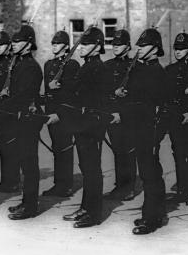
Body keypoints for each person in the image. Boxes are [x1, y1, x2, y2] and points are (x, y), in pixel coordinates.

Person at [0, 24, 43, 220]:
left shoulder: (30, 67)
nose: (15, 44)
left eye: (18, 41)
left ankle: (30, 206)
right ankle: (27, 201)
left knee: (29, 164)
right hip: (20, 119)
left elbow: (22, 97)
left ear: (28, 45)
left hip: (28, 118)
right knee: (24, 162)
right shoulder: (19, 64)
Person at [117, 28, 167, 235]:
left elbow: (163, 106)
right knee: (147, 172)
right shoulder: (137, 69)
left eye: (143, 45)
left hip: (151, 128)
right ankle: (153, 213)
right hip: (136, 127)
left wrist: (158, 133)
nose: (139, 48)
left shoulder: (158, 72)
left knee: (151, 173)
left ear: (155, 49)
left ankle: (152, 218)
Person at [62, 26, 107, 228]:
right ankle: (86, 208)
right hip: (83, 123)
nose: (80, 47)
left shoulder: (98, 68)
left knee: (92, 169)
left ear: (97, 48)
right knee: (86, 168)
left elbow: (95, 99)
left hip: (92, 124)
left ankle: (93, 213)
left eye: (86, 44)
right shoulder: (87, 66)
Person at [42, 30, 80, 197]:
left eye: (57, 44)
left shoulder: (72, 65)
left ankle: (65, 185)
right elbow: (47, 92)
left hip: (64, 113)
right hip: (50, 113)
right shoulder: (48, 64)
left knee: (64, 148)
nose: (54, 46)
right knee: (56, 148)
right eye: (53, 43)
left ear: (66, 47)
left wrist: (60, 113)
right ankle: (59, 183)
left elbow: (72, 94)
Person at [165, 33, 188, 205]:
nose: (178, 52)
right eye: (176, 49)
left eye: (182, 49)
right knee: (178, 153)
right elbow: (166, 95)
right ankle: (181, 190)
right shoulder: (169, 70)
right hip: (175, 118)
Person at [103, 29, 136, 201]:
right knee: (117, 151)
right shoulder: (107, 66)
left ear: (128, 46)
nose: (115, 47)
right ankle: (119, 185)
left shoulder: (134, 66)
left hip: (128, 117)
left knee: (129, 151)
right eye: (114, 44)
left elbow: (137, 95)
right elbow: (102, 91)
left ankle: (129, 187)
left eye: (120, 44)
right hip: (111, 115)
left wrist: (123, 112)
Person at [0, 31, 21, 193]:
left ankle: (13, 181)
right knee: (1, 145)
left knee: (11, 146)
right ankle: (6, 180)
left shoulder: (14, 64)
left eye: (1, 45)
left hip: (10, 110)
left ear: (9, 46)